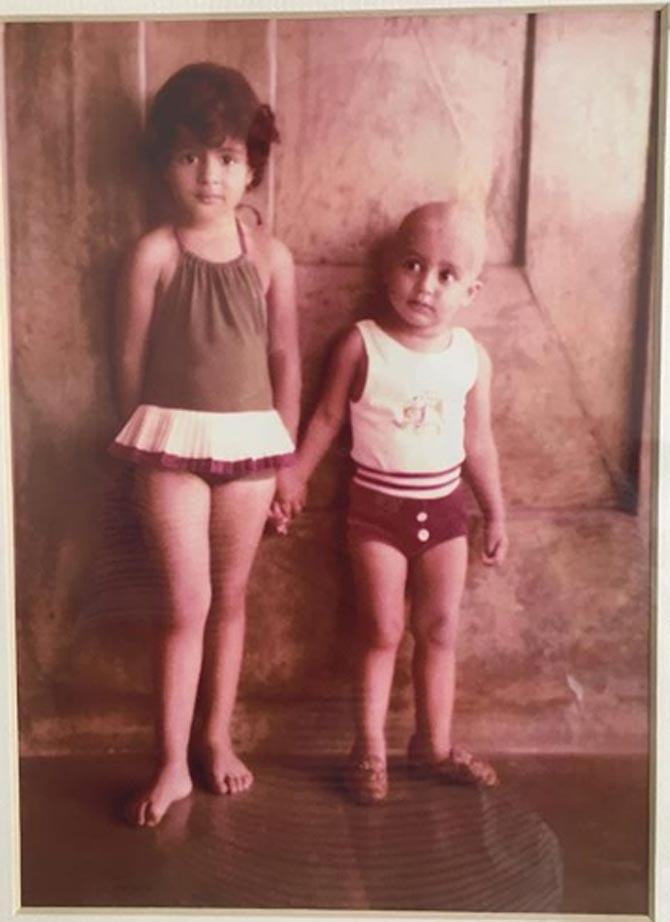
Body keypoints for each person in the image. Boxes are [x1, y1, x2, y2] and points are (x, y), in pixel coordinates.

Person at [110, 62, 300, 826]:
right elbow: (128, 360)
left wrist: (287, 460)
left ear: (251, 166)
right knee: (185, 603)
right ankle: (170, 762)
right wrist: (140, 444)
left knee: (230, 599)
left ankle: (215, 738)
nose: (209, 175)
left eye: (226, 157)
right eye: (190, 156)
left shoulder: (270, 257)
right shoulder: (153, 254)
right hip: (169, 445)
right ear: (164, 163)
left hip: (252, 447)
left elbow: (285, 355)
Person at [273, 200, 508, 804]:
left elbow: (478, 442)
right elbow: (327, 418)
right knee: (381, 628)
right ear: (387, 269)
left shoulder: (471, 358)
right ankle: (369, 747)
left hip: (447, 513)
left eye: (447, 275)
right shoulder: (362, 344)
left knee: (440, 629)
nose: (425, 285)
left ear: (471, 291)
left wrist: (495, 512)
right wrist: (295, 476)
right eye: (412, 265)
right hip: (378, 513)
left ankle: (433, 745)